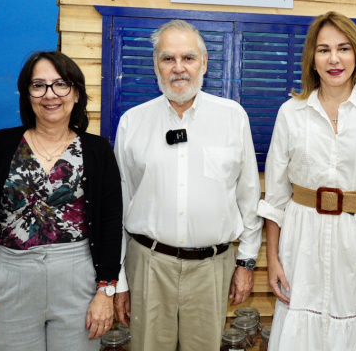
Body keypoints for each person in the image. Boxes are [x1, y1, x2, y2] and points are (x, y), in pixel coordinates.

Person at [258, 11, 356, 350]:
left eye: (343, 48)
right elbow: (275, 197)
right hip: (302, 244)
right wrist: (273, 260)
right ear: (311, 60)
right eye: (323, 50)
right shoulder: (291, 113)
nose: (334, 59)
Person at [112, 19, 262, 351]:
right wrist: (119, 280)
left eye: (188, 58)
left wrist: (247, 262)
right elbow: (120, 206)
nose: (179, 68)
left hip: (212, 269)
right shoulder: (132, 124)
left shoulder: (232, 118)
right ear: (156, 65)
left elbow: (248, 196)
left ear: (204, 63)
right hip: (148, 266)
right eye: (168, 59)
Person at [0, 51, 123, 350]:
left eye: (60, 84)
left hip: (77, 277)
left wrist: (106, 291)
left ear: (76, 93)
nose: (50, 95)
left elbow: (110, 223)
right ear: (27, 95)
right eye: (38, 85)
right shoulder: (1, 144)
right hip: (11, 277)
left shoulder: (97, 150)